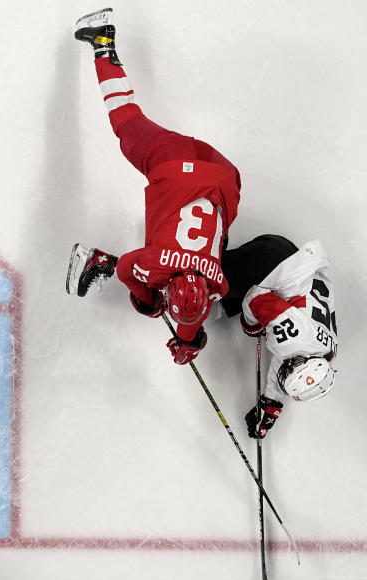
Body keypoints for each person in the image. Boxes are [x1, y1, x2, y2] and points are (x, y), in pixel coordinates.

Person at [65, 8, 242, 366]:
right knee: (125, 118)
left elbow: (198, 311)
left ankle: (103, 43)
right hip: (174, 165)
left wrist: (191, 339)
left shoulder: (218, 282)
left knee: (220, 232)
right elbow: (129, 269)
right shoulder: (156, 264)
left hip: (225, 174)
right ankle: (102, 40)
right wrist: (148, 303)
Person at [218, 235, 337, 438]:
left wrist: (271, 403)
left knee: (215, 310)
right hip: (272, 261)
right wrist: (251, 326)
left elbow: (287, 359)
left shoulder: (326, 351)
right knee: (202, 282)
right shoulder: (294, 340)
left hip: (290, 264)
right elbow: (254, 297)